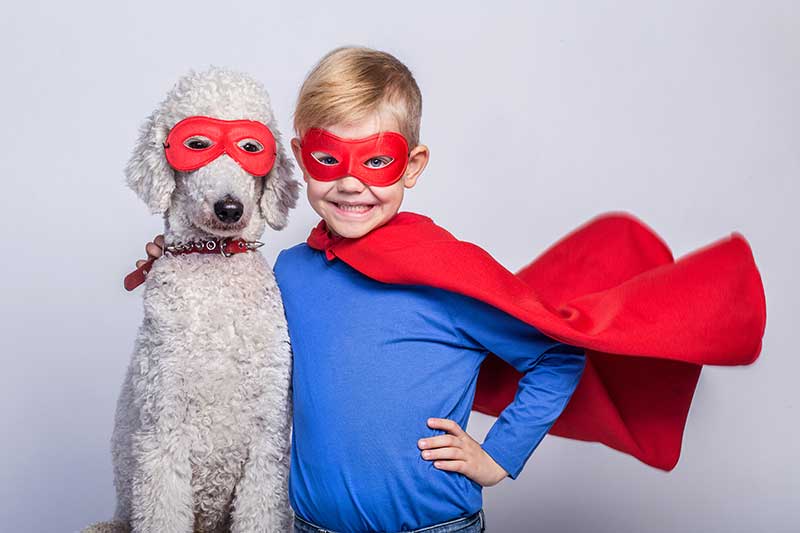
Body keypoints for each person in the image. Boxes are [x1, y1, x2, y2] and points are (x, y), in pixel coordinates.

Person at [135, 46, 766, 533]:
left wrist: (501, 456)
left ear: (411, 166)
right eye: (331, 160)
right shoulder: (292, 273)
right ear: (301, 160)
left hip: (436, 525)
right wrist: (185, 253)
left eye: (375, 161)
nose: (352, 185)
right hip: (312, 524)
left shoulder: (446, 272)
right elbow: (236, 331)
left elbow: (555, 353)